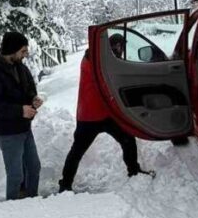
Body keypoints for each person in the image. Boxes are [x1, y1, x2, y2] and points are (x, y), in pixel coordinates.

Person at [58, 35, 152, 192]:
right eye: (119, 47)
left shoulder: (101, 59)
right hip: (90, 115)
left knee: (127, 139)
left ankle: (134, 171)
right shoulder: (94, 58)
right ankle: (65, 184)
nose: (121, 50)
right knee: (77, 151)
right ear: (112, 46)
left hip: (104, 114)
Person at [0, 31, 43, 200]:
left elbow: (30, 89)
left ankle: (32, 200)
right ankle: (12, 209)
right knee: (16, 175)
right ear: (13, 50)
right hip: (7, 132)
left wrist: (33, 99)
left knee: (34, 168)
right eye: (23, 51)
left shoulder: (21, 67)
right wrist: (20, 110)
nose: (26, 54)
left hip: (24, 128)